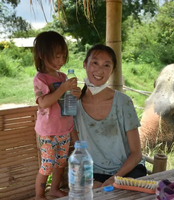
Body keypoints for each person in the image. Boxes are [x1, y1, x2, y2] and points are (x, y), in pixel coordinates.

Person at [71, 44, 147, 189]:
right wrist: (90, 180)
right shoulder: (74, 105)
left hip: (128, 171)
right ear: (84, 64)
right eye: (95, 63)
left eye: (106, 65)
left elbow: (136, 154)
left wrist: (114, 179)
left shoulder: (123, 102)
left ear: (113, 70)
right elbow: (78, 151)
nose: (100, 70)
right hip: (94, 173)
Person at [33, 31, 81, 200]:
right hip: (48, 132)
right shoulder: (40, 78)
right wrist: (62, 88)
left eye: (63, 56)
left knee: (60, 163)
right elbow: (44, 102)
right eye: (56, 56)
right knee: (47, 165)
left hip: (64, 129)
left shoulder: (62, 76)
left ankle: (54, 190)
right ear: (42, 55)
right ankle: (39, 195)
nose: (61, 61)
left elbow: (68, 101)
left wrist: (75, 93)